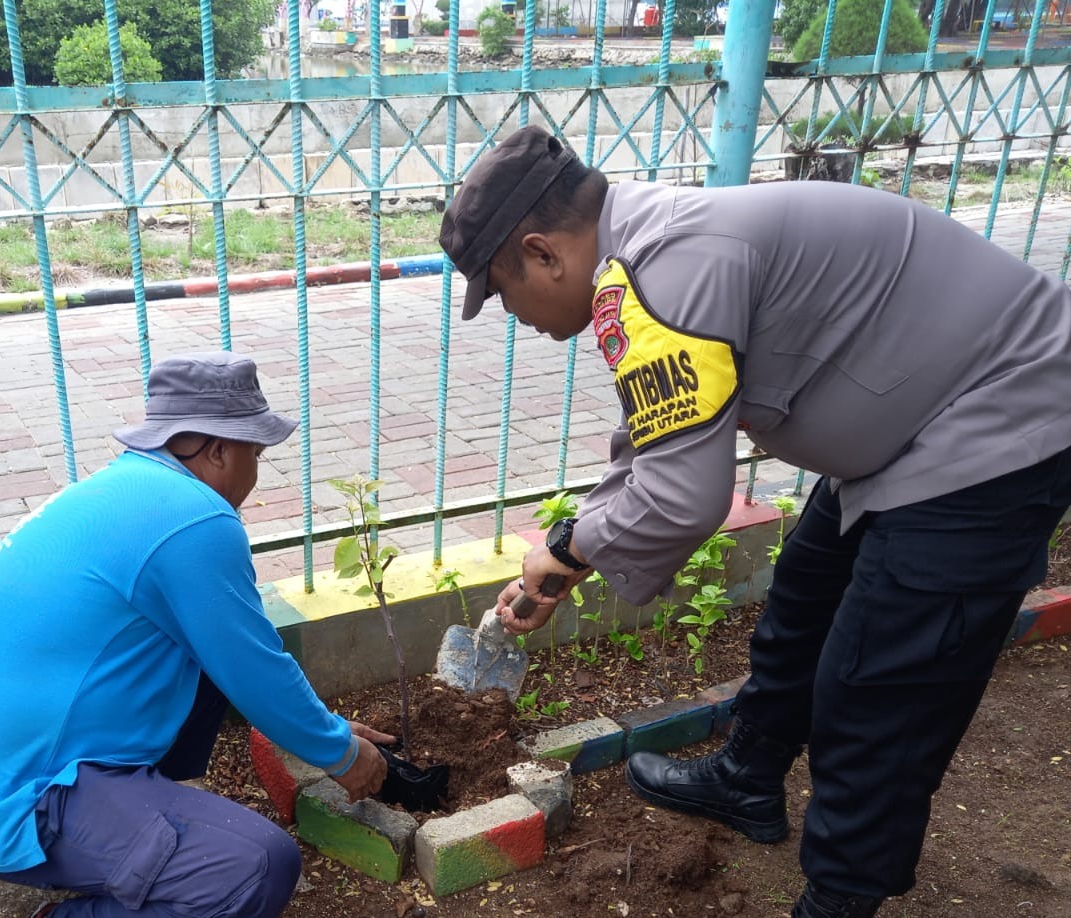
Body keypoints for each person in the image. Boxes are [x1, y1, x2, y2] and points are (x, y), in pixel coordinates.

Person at [440, 125, 1071, 918]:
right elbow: (663, 432)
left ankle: (838, 900)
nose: (512, 314)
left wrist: (573, 549)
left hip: (994, 421)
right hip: (914, 426)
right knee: (805, 600)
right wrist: (570, 548)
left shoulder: (668, 268)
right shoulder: (645, 253)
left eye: (501, 292)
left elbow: (680, 494)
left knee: (878, 689)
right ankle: (748, 778)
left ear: (542, 252)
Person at [0, 351, 392, 918]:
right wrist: (342, 753)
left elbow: (236, 653)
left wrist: (321, 730)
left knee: (202, 650)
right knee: (256, 867)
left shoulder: (130, 490)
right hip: (28, 803)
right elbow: (255, 667)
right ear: (219, 449)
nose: (256, 468)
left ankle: (150, 827)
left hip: (0, 776)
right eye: (256, 452)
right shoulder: (194, 518)